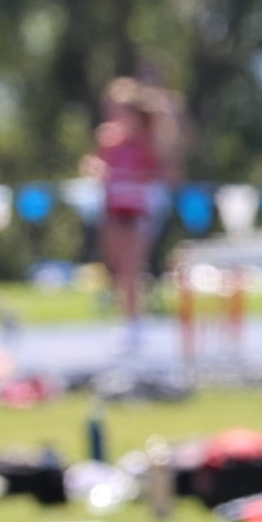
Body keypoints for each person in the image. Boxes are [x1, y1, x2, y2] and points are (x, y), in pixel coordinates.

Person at [86, 78, 175, 353]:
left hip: (137, 211)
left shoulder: (147, 143)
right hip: (113, 209)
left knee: (133, 269)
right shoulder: (107, 140)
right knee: (117, 270)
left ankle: (136, 326)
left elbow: (163, 173)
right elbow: (96, 167)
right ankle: (126, 321)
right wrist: (97, 170)